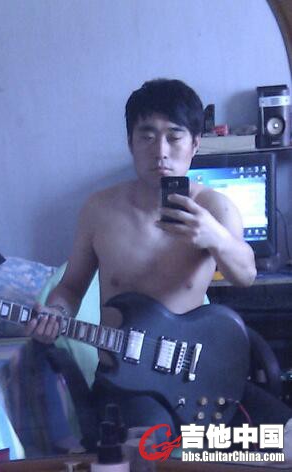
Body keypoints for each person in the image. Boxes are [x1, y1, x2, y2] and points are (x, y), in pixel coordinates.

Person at [25, 78, 292, 446]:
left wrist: (213, 236)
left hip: (201, 380)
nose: (160, 151)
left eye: (174, 137)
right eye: (147, 137)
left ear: (195, 143)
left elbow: (245, 274)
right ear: (130, 143)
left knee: (282, 441)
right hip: (125, 384)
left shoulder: (216, 208)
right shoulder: (99, 210)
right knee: (153, 452)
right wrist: (54, 314)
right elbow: (70, 288)